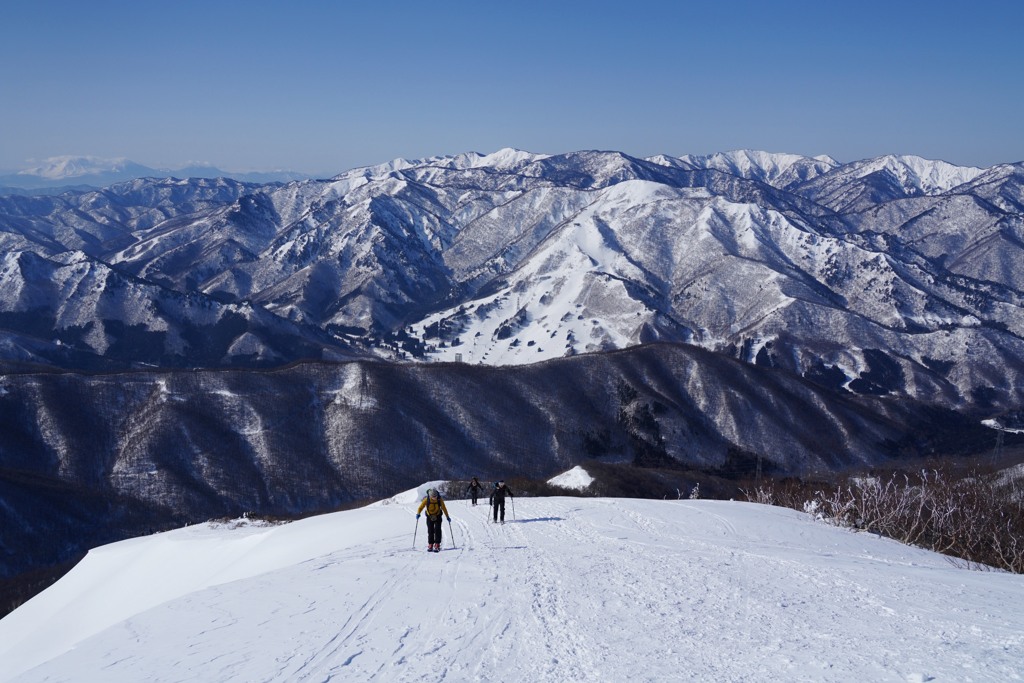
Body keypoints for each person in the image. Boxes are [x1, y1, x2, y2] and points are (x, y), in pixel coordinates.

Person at [416, 488, 450, 552]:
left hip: (438, 516)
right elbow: (420, 507)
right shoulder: (426, 500)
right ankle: (430, 544)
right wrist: (418, 513)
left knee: (437, 530)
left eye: (436, 496)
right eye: (433, 497)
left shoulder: (439, 500)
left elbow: (444, 508)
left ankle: (437, 544)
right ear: (430, 496)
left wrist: (447, 516)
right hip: (429, 516)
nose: (435, 498)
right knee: (430, 530)